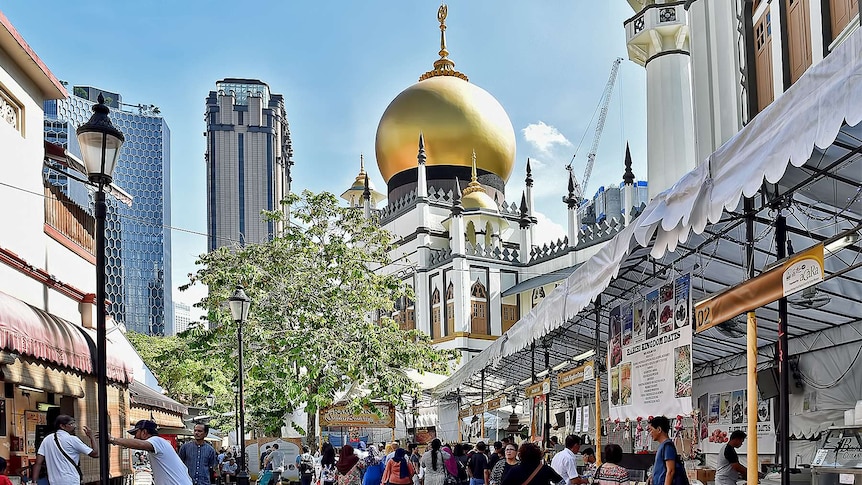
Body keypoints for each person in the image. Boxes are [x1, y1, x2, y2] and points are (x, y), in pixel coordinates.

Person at [109, 419, 192, 485]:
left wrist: (113, 440)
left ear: (144, 432)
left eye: (136, 433)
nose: (134, 437)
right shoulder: (160, 442)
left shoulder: (156, 440)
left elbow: (140, 445)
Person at [33, 415, 99, 485]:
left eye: (74, 423)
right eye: (71, 424)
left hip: (53, 481)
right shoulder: (72, 439)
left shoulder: (47, 439)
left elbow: (38, 463)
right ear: (62, 426)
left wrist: (34, 482)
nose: (75, 426)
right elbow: (95, 454)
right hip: (71, 480)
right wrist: (91, 437)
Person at [648, 416, 678, 485]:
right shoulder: (663, 446)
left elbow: (670, 471)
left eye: (651, 430)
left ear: (659, 429)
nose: (650, 433)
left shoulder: (667, 446)